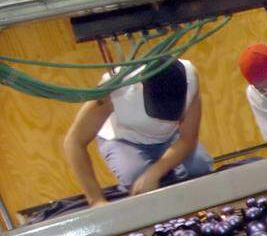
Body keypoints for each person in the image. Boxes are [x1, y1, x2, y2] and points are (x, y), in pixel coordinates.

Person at [63, 58, 212, 207]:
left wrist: (155, 172)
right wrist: (96, 200)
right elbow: (74, 141)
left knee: (200, 167)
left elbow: (187, 139)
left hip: (171, 136)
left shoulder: (190, 75)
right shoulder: (116, 88)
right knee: (137, 181)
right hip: (123, 139)